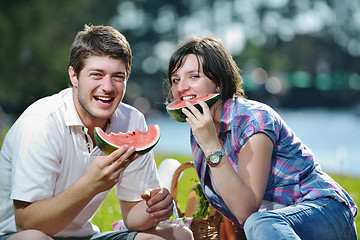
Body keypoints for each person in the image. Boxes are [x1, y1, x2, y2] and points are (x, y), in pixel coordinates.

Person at [0, 25, 193, 240]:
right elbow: (26, 223)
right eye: (96, 75)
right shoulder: (40, 124)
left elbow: (133, 218)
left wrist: (154, 208)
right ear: (74, 76)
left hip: (85, 237)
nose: (108, 87)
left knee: (179, 235)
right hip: (18, 235)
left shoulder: (132, 121)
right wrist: (90, 185)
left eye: (118, 77)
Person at [165, 36, 358, 239]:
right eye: (176, 79)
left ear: (218, 83)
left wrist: (211, 145)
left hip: (324, 210)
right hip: (274, 228)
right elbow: (234, 208)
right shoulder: (200, 130)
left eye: (193, 77)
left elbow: (246, 210)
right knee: (261, 223)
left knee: (260, 221)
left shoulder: (253, 118)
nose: (181, 88)